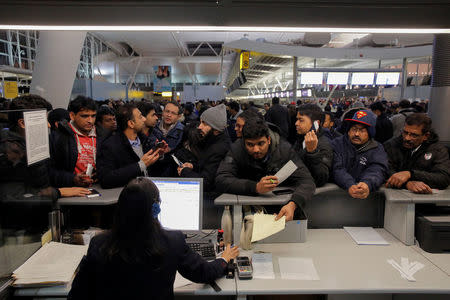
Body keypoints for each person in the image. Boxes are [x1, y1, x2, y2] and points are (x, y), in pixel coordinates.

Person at [68, 177, 239, 300]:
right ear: (156, 208)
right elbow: (203, 273)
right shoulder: (173, 241)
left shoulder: (99, 244)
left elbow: (77, 293)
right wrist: (224, 259)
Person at [216, 119, 315, 221]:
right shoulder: (237, 150)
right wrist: (255, 187)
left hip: (280, 210)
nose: (256, 150)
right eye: (250, 145)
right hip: (246, 211)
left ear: (268, 140)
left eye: (260, 143)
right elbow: (221, 179)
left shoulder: (284, 151)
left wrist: (293, 204)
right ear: (243, 142)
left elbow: (307, 181)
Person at [96, 104, 165, 189]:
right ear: (131, 123)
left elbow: (152, 170)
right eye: (140, 117)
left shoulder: (145, 141)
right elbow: (106, 179)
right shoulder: (110, 145)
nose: (144, 119)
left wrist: (159, 155)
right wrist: (140, 165)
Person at [384, 113, 450, 193]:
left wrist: (411, 174)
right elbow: (384, 171)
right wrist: (407, 183)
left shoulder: (437, 150)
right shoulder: (391, 145)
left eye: (414, 135)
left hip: (425, 201)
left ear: (426, 136)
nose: (407, 138)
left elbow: (444, 178)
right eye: (405, 132)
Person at [331, 110, 389, 199]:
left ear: (370, 133)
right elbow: (337, 168)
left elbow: (378, 169)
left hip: (366, 200)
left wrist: (367, 183)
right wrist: (349, 184)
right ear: (349, 131)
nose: (356, 134)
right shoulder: (337, 144)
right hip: (336, 198)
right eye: (354, 129)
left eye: (362, 131)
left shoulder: (377, 148)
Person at [177, 104, 230, 193]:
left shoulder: (218, 149)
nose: (199, 127)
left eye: (204, 123)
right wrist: (193, 167)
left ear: (216, 129)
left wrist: (185, 172)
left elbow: (206, 183)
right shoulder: (214, 141)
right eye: (201, 122)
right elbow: (210, 169)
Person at [49, 96, 98, 187]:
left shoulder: (102, 135)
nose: (90, 121)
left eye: (93, 116)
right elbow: (49, 171)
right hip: (70, 189)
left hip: (99, 188)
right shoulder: (58, 137)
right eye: (85, 116)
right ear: (72, 116)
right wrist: (71, 178)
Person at [293, 104, 333, 187]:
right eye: (297, 119)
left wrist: (312, 152)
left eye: (301, 120)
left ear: (316, 123)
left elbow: (321, 179)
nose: (296, 123)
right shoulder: (301, 139)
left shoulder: (324, 145)